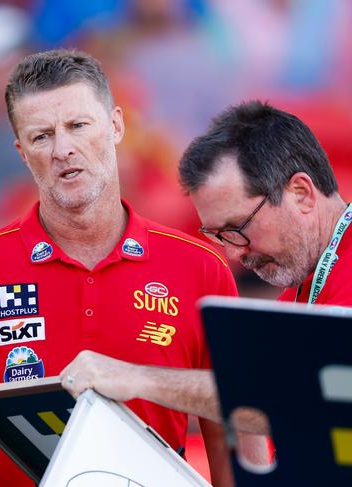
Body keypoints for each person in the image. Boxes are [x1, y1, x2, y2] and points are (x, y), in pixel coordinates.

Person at [0, 49, 265, 487]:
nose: (64, 149)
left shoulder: (201, 268)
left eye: (78, 126)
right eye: (42, 136)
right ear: (22, 152)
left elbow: (235, 425)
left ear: (117, 125)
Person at [61, 100, 350, 436]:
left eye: (237, 228)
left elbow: (297, 398)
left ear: (301, 193)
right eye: (216, 235)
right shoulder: (298, 295)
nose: (232, 252)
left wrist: (138, 378)